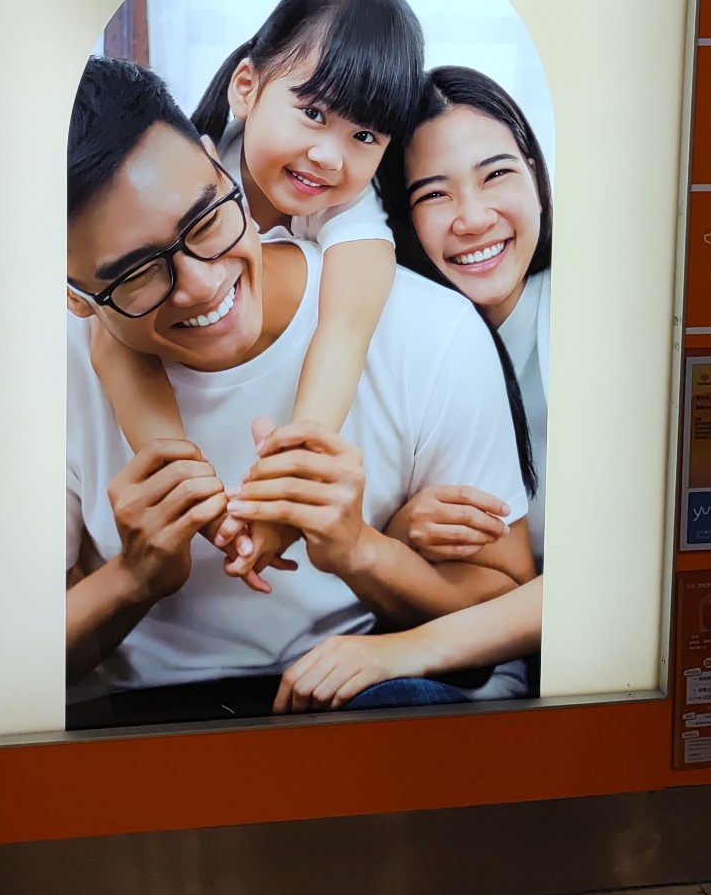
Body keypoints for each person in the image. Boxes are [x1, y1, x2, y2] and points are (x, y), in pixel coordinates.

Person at [64, 55, 534, 724]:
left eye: (205, 222)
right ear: (76, 297)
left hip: (370, 705)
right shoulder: (50, 369)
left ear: (218, 164)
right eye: (137, 274)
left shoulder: (428, 329)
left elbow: (509, 608)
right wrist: (133, 579)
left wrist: (359, 551)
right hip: (141, 721)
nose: (203, 285)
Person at [92, 0, 423, 592]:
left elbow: (345, 330)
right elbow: (115, 342)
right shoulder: (191, 169)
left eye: (364, 135)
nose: (330, 156)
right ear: (246, 88)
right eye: (313, 112)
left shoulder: (351, 210)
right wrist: (206, 511)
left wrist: (286, 490)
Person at [275, 65, 553, 712]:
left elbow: (618, 571)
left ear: (538, 179)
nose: (473, 218)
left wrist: (401, 652)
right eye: (434, 195)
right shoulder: (400, 339)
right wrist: (401, 527)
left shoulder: (582, 322)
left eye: (496, 175)